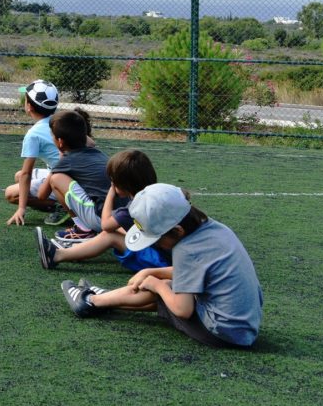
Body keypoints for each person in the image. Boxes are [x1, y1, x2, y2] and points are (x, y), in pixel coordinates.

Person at [60, 183, 264, 349]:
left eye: (156, 240)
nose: (156, 246)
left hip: (221, 333)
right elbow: (194, 271)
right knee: (160, 282)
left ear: (177, 231)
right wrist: (151, 271)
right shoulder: (214, 230)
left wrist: (156, 284)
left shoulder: (186, 249)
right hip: (243, 328)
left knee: (162, 289)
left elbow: (182, 309)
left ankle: (91, 300)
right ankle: (104, 299)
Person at [35, 148, 171, 273]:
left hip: (159, 261)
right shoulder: (160, 193)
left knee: (109, 235)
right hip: (173, 255)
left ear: (120, 184)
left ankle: (56, 255)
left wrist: (111, 192)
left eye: (112, 181)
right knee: (121, 232)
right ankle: (78, 251)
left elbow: (105, 224)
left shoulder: (130, 210)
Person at [39, 109, 111, 243]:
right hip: (116, 218)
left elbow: (41, 195)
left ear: (60, 142)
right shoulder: (98, 153)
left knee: (56, 179)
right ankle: (87, 227)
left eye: (52, 137)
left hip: (102, 219)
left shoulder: (67, 161)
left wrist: (61, 158)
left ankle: (83, 229)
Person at [4, 79, 61, 226]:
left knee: (11, 194)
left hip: (65, 179)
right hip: (71, 175)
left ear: (29, 106)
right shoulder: (60, 121)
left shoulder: (33, 134)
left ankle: (62, 207)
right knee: (18, 176)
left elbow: (26, 173)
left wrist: (21, 208)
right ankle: (60, 201)